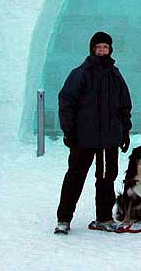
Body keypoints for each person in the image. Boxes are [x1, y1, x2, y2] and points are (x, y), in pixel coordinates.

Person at [54, 31, 132, 234]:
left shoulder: (115, 75)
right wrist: (69, 132)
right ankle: (64, 219)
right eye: (98, 47)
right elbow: (67, 103)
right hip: (83, 139)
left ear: (110, 49)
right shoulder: (80, 73)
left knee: (106, 179)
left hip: (108, 140)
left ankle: (104, 218)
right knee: (75, 177)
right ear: (92, 49)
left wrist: (124, 132)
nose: (102, 51)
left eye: (105, 47)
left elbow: (124, 105)